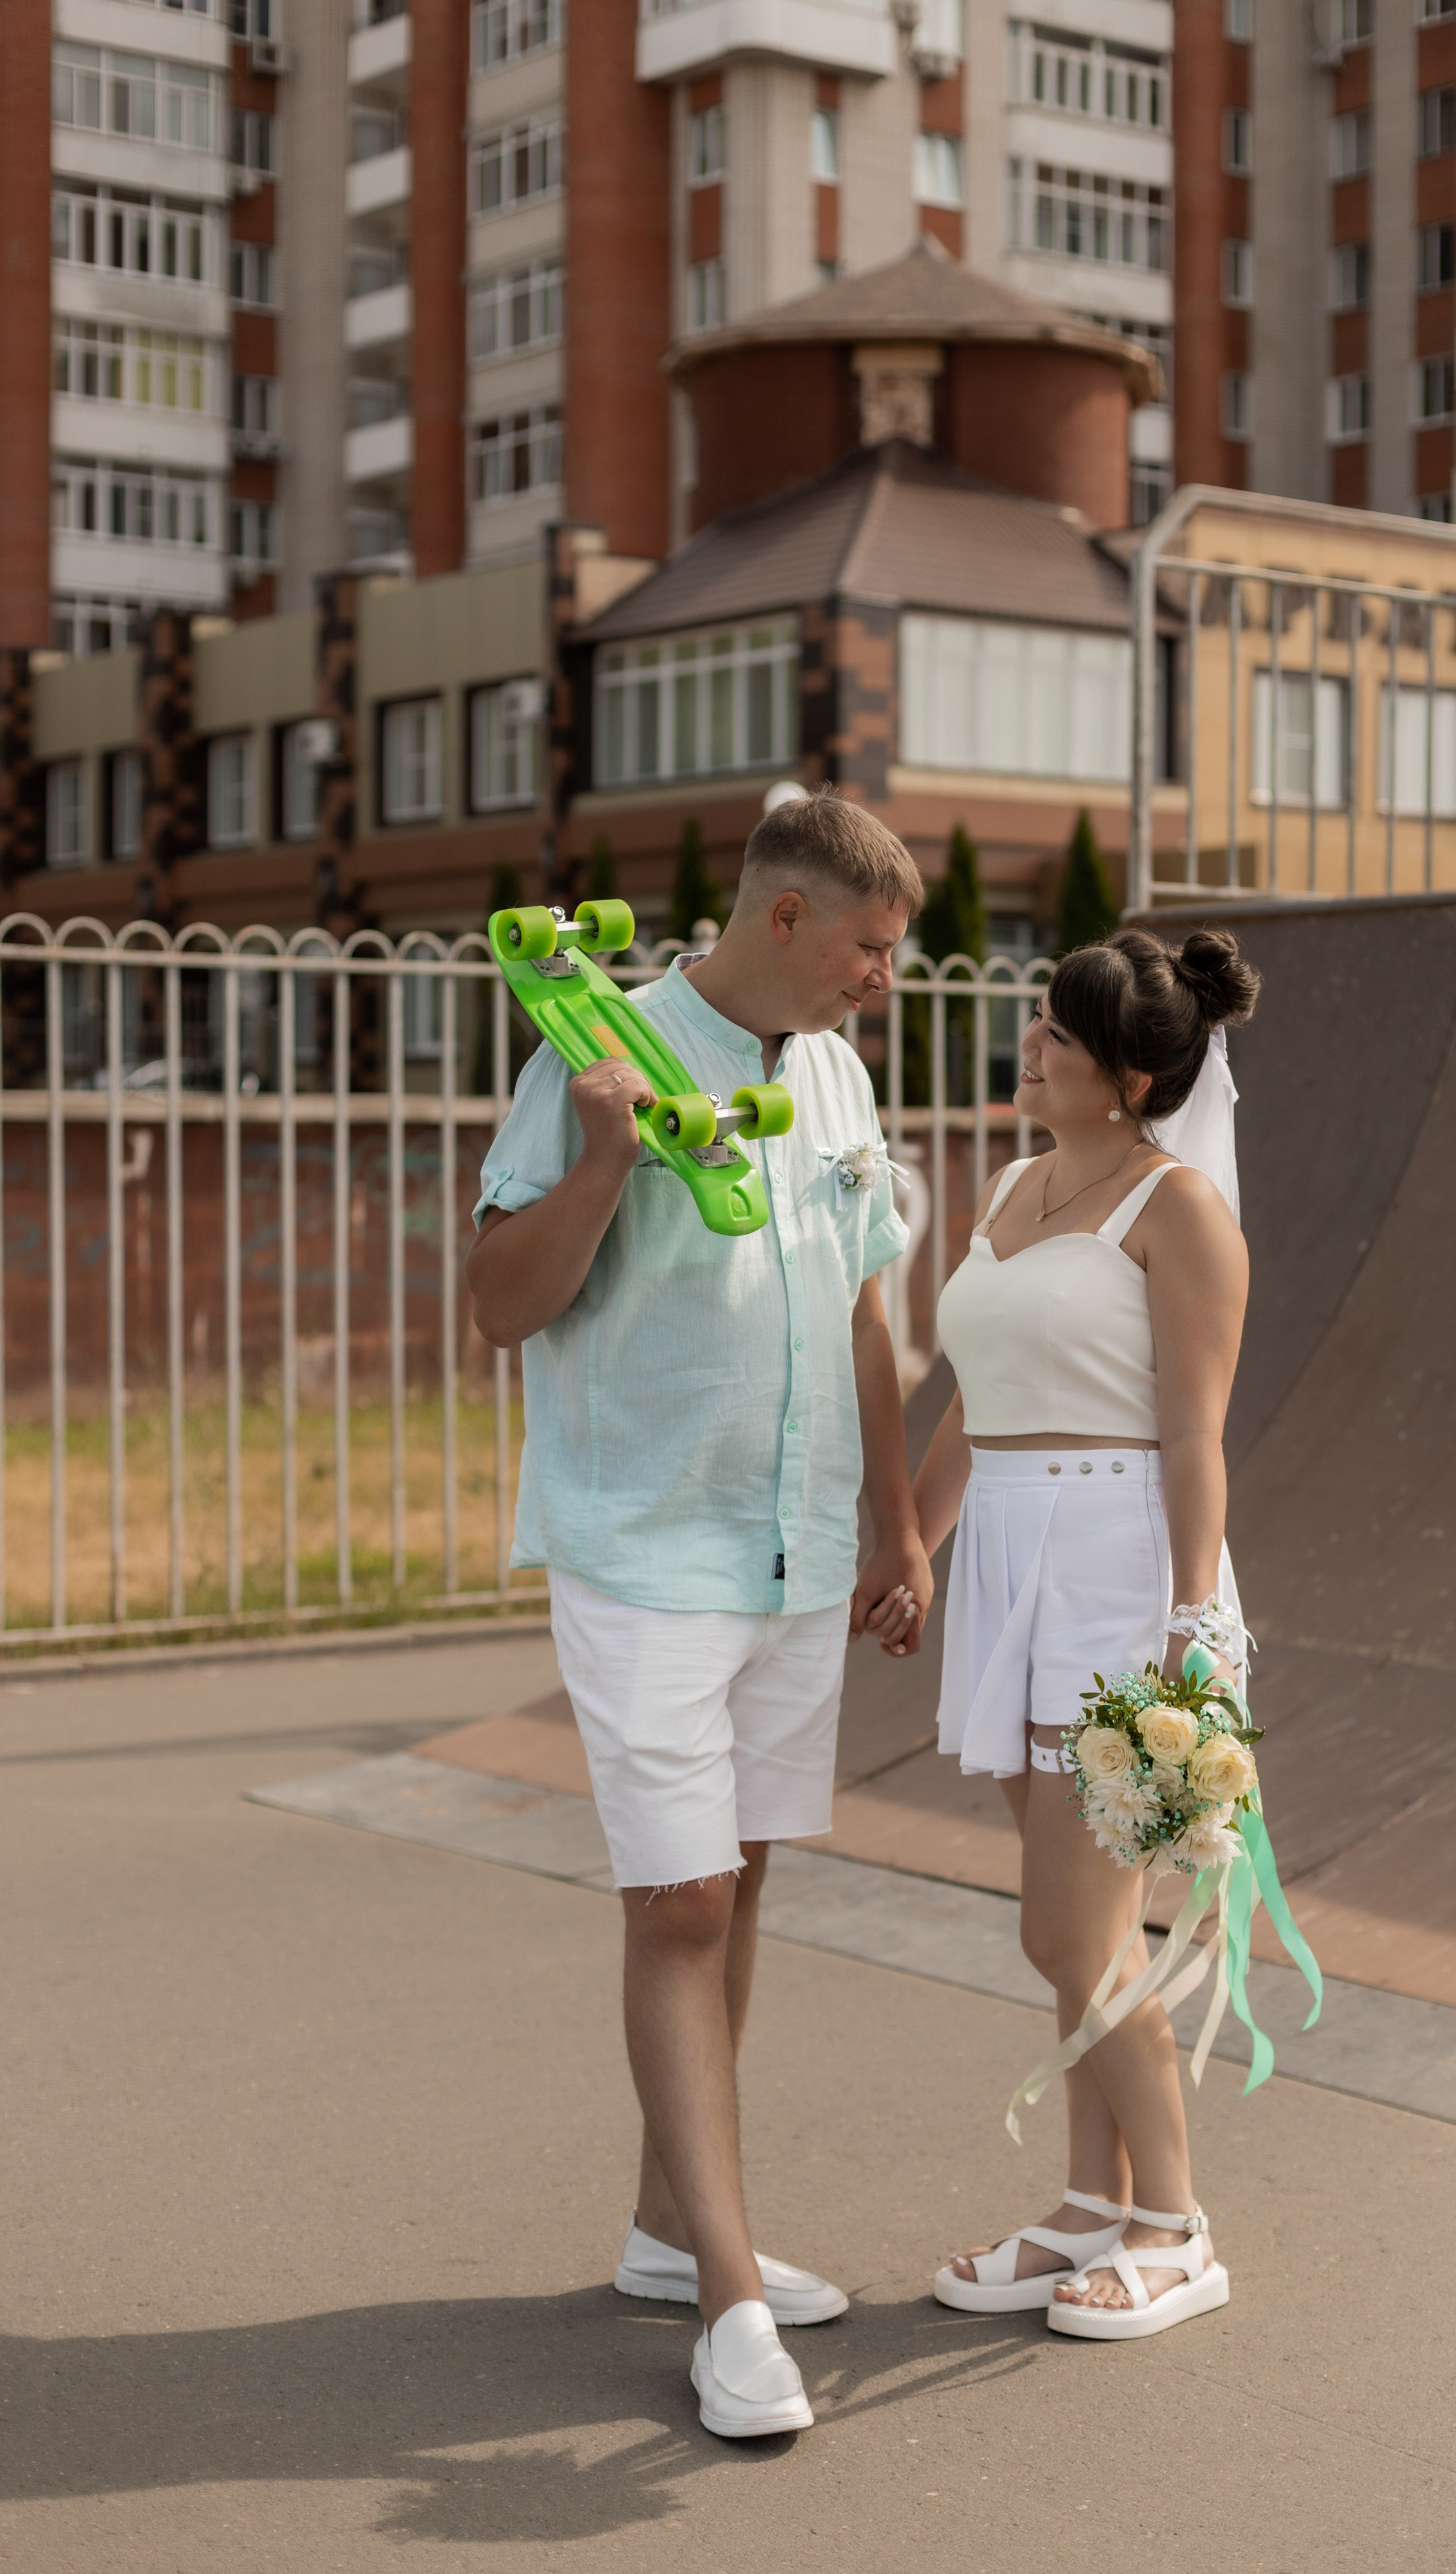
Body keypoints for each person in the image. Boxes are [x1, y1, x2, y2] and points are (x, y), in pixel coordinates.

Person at [466, 794, 934, 2439]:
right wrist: (604, 1156)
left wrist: (891, 1526)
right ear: (785, 919)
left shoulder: (835, 1071)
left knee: (733, 1891)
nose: (886, 977)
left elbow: (866, 1301)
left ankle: (671, 2230)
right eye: (871, 948)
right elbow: (499, 1303)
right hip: (643, 1546)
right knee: (672, 1906)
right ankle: (732, 2303)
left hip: (798, 1554)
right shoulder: (590, 1053)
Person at [874, 926, 1258, 2343]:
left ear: (1135, 1071)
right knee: (1070, 1931)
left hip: (1115, 1572)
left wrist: (1188, 1622)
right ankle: (1090, 2207)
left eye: (1057, 1031)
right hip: (1005, 1559)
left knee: (1070, 1931)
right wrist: (910, 1539)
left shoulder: (1180, 1209)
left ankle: (1174, 2223)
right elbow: (974, 1394)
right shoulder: (1020, 1185)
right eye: (1034, 1020)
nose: (1027, 1044)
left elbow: (1197, 1435)